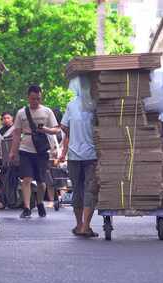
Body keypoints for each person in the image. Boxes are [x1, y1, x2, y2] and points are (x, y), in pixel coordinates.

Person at [9, 85, 60, 218]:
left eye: (38, 99)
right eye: (33, 99)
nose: (35, 101)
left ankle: (40, 202)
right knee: (26, 179)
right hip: (25, 149)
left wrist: (45, 130)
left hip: (41, 150)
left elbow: (56, 129)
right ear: (28, 98)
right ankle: (27, 208)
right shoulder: (21, 113)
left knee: (41, 181)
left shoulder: (47, 111)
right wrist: (13, 152)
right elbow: (16, 133)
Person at [59, 78, 98, 237]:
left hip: (74, 155)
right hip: (91, 154)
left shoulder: (71, 104)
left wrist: (74, 135)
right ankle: (85, 227)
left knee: (77, 190)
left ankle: (79, 225)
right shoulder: (95, 104)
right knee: (89, 190)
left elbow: (64, 126)